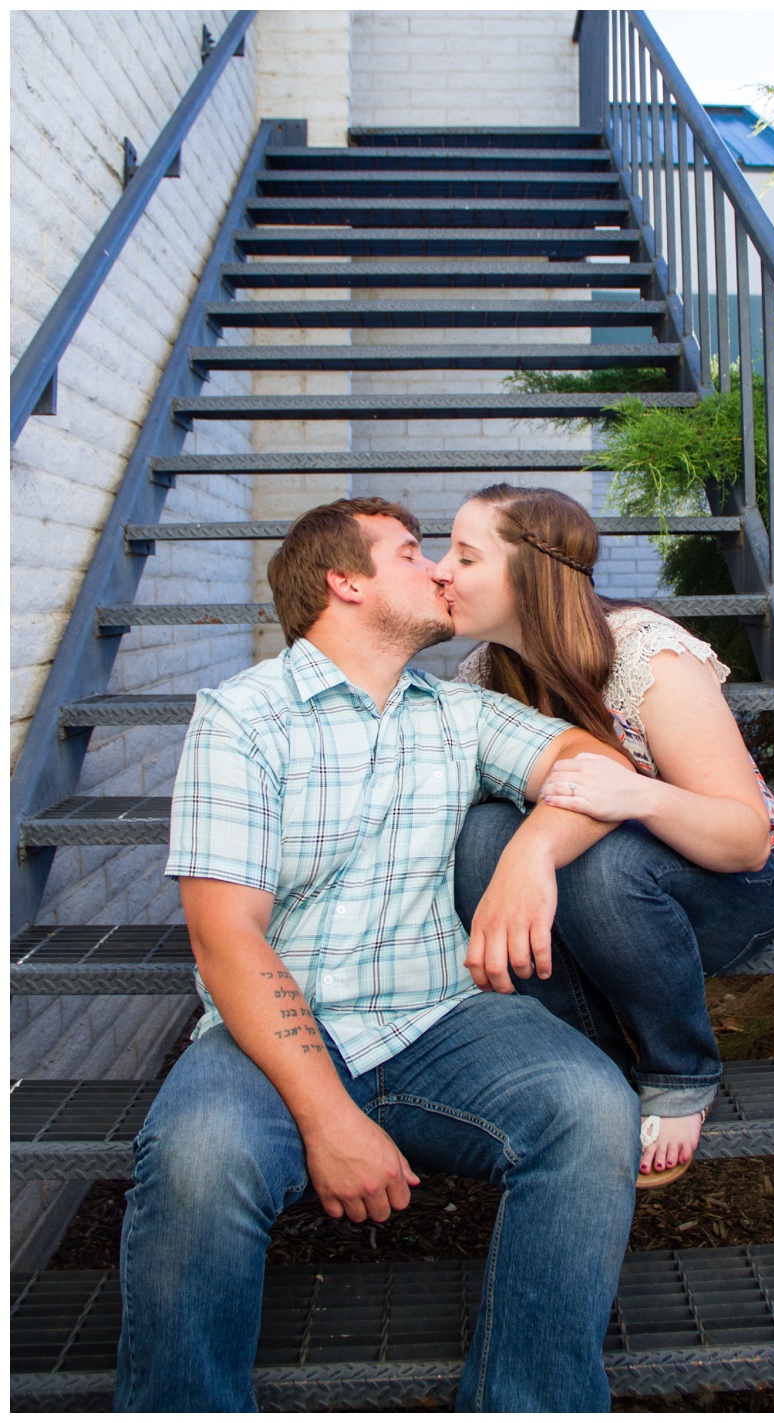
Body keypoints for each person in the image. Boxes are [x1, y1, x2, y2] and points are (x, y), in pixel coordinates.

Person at [119, 498, 642, 1411]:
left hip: (442, 1018)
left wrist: (528, 852)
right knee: (199, 1157)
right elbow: (224, 935)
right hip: (274, 1038)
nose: (438, 570)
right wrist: (328, 1119)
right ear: (345, 581)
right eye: (411, 553)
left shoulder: (456, 712)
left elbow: (597, 765)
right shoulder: (243, 718)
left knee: (593, 1108)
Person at [436, 485, 774, 1188]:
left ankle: (679, 1066)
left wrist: (637, 793)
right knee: (481, 838)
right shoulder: (482, 676)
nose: (439, 569)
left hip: (724, 891)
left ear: (529, 576)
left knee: (608, 861)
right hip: (597, 901)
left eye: (464, 555)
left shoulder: (645, 656)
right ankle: (593, 1067)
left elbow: (747, 839)